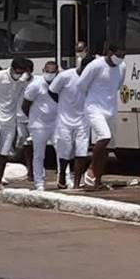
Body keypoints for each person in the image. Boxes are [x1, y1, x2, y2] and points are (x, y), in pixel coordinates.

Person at [0, 58, 34, 192]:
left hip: (10, 120)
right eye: (19, 72)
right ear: (12, 69)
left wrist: (26, 74)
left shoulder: (23, 79)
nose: (20, 75)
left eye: (23, 73)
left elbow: (30, 78)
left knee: (3, 153)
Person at [80, 43, 127, 190]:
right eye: (118, 55)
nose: (120, 58)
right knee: (104, 137)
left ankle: (97, 180)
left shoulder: (122, 66)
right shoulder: (95, 66)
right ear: (109, 52)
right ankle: (91, 169)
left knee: (108, 147)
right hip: (94, 108)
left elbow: (118, 85)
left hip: (111, 109)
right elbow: (81, 85)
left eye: (123, 55)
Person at [51, 57, 90, 189]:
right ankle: (62, 176)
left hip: (83, 120)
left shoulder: (92, 79)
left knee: (82, 152)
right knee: (65, 152)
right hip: (64, 120)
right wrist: (63, 104)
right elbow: (52, 91)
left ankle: (77, 183)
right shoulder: (65, 76)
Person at [21, 61, 59, 191]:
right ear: (43, 70)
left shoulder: (59, 84)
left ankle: (65, 178)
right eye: (47, 71)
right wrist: (33, 118)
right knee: (39, 154)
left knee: (62, 151)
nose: (50, 74)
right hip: (39, 125)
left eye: (52, 72)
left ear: (57, 72)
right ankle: (38, 182)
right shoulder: (35, 85)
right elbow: (25, 105)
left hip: (55, 123)